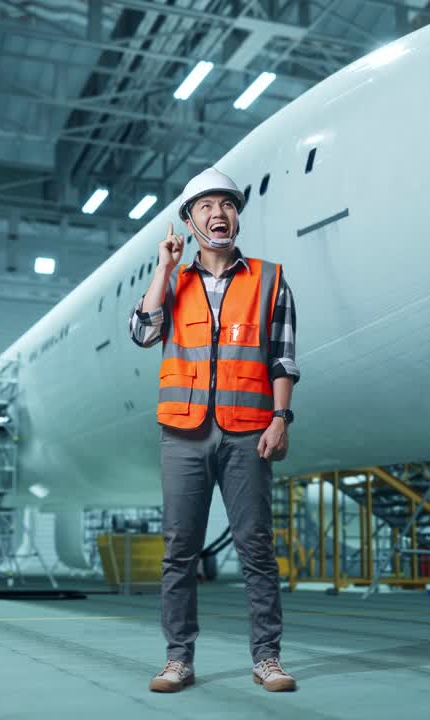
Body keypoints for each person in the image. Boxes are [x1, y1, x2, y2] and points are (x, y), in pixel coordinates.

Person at [128, 167, 300, 693]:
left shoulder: (269, 278)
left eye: (226, 204)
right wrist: (163, 267)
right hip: (183, 432)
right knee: (180, 549)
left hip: (249, 431)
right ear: (188, 220)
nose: (217, 213)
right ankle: (178, 658)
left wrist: (280, 419)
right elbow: (140, 332)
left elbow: (283, 358)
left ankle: (267, 658)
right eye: (204, 206)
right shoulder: (174, 282)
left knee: (256, 547)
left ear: (237, 216)